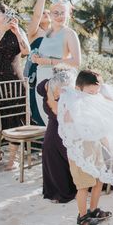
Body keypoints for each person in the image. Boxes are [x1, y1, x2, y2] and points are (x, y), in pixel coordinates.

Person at [0, 3, 30, 175]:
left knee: (14, 117)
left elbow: (26, 51)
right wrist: (2, 29)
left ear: (5, 14)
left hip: (12, 81)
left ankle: (13, 159)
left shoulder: (17, 30)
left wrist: (16, 32)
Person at [66, 70, 113, 225]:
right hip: (80, 152)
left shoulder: (95, 105)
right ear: (79, 89)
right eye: (90, 92)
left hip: (95, 149)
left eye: (96, 92)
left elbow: (101, 129)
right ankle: (82, 215)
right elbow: (67, 128)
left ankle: (93, 210)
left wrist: (109, 147)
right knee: (83, 185)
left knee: (99, 181)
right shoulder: (73, 106)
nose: (94, 95)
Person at [32, 0, 81, 125]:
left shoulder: (69, 33)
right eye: (55, 13)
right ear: (50, 14)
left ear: (68, 14)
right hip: (42, 82)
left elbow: (76, 62)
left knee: (62, 123)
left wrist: (49, 61)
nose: (59, 16)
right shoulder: (47, 33)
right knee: (48, 121)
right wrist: (36, 58)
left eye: (62, 13)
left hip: (60, 83)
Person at [37, 66, 77, 203]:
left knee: (66, 150)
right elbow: (40, 88)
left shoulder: (72, 91)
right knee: (49, 148)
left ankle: (72, 185)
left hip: (67, 124)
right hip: (54, 122)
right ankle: (57, 190)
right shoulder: (44, 86)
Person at [26, 0, 55, 126]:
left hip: (52, 71)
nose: (46, 14)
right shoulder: (34, 32)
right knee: (36, 102)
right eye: (44, 12)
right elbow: (36, 15)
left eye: (49, 12)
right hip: (35, 73)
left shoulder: (56, 34)